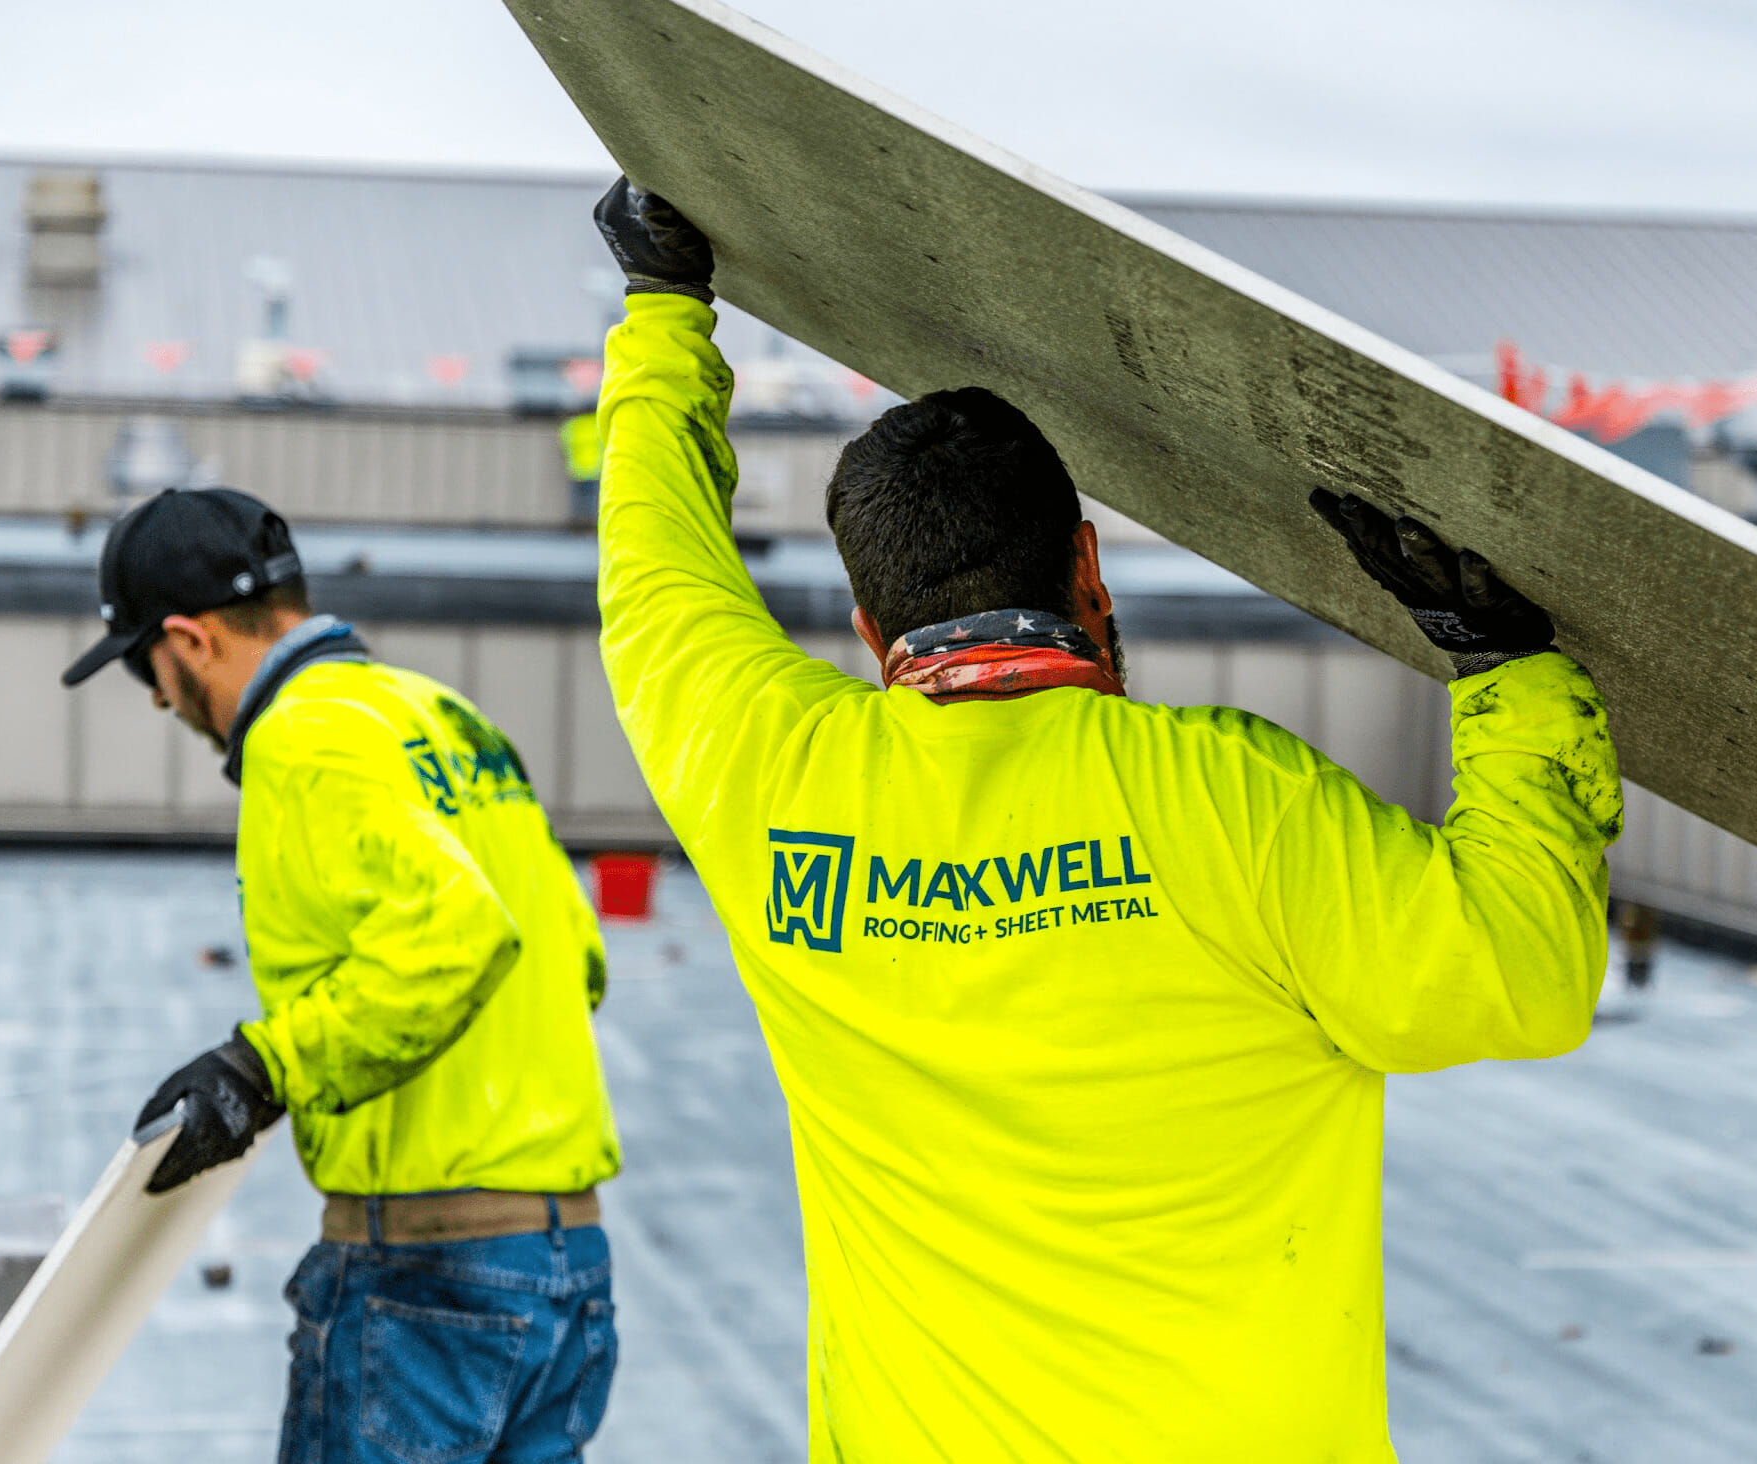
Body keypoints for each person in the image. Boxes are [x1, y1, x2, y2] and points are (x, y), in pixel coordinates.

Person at [591, 178, 1622, 1461]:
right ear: (1085, 569)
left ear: (869, 634)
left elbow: (653, 580)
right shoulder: (1228, 796)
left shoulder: (778, 782)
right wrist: (1508, 676)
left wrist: (660, 312)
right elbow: (1519, 977)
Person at [60, 487, 623, 1464]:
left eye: (146, 666)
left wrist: (261, 1067)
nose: (155, 696)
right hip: (563, 1265)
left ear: (189, 641)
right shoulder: (440, 714)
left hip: (429, 1280)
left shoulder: (303, 735)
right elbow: (576, 957)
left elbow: (457, 935)